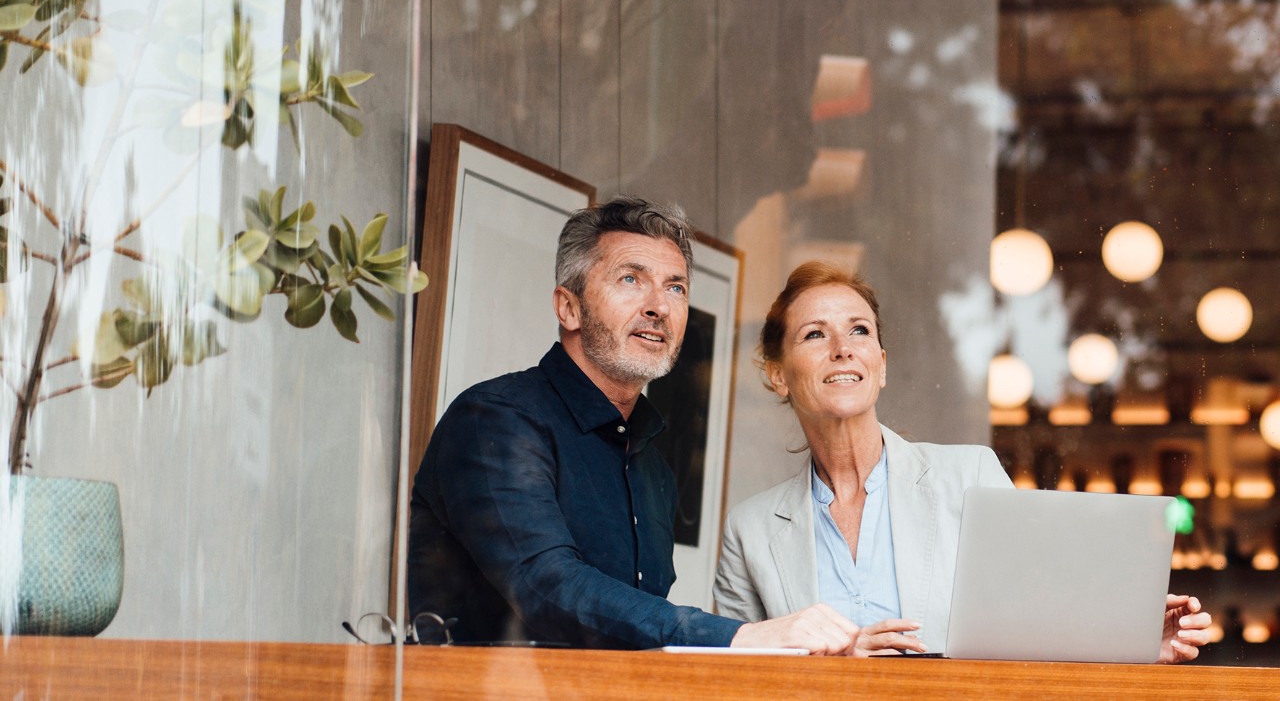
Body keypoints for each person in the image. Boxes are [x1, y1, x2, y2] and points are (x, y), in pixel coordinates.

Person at [407, 197, 861, 653]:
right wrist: (741, 635)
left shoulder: (653, 468)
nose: (659, 306)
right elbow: (546, 588)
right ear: (569, 308)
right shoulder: (495, 421)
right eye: (630, 279)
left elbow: (635, 633)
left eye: (676, 288)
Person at [712, 261, 1213, 661]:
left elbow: (1039, 614)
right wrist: (835, 662)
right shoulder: (750, 531)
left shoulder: (970, 476)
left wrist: (1139, 642)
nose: (843, 350)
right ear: (778, 375)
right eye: (815, 335)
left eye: (859, 331)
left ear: (881, 365)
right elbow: (736, 677)